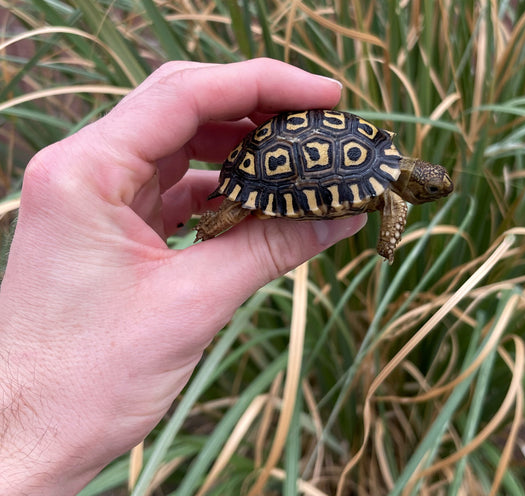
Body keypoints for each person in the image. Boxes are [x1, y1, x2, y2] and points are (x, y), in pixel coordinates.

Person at [0, 59, 366, 495]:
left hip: (284, 163)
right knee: (234, 208)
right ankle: (212, 225)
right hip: (277, 171)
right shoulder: (376, 172)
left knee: (235, 206)